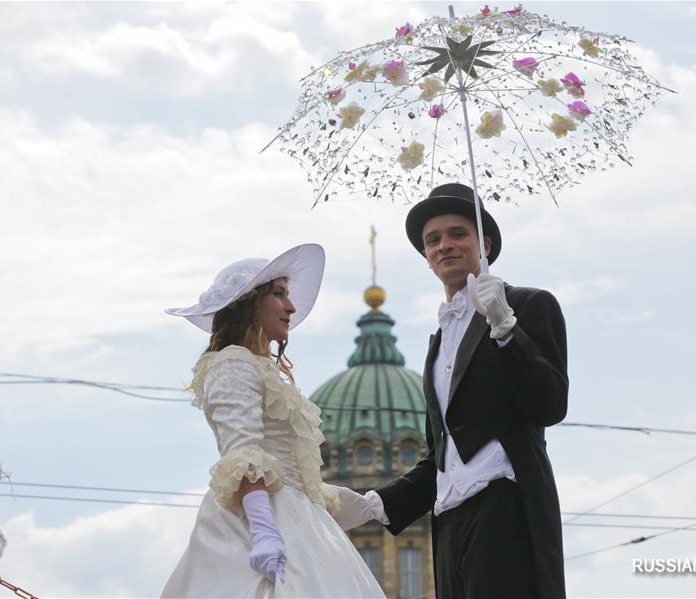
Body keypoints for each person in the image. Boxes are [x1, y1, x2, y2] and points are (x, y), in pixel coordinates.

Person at [333, 183, 569, 598]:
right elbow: (442, 460)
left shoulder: (530, 305)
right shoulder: (437, 343)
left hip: (505, 510)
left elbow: (549, 404)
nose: (445, 245)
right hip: (448, 523)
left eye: (458, 234)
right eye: (433, 240)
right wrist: (375, 504)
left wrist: (506, 329)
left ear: (486, 244)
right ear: (426, 256)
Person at [161, 243, 384, 599]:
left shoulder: (257, 368)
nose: (291, 306)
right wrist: (264, 531)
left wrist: (366, 504)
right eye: (279, 294)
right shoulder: (231, 363)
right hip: (257, 522)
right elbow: (243, 453)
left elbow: (292, 474)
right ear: (250, 305)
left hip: (295, 519)